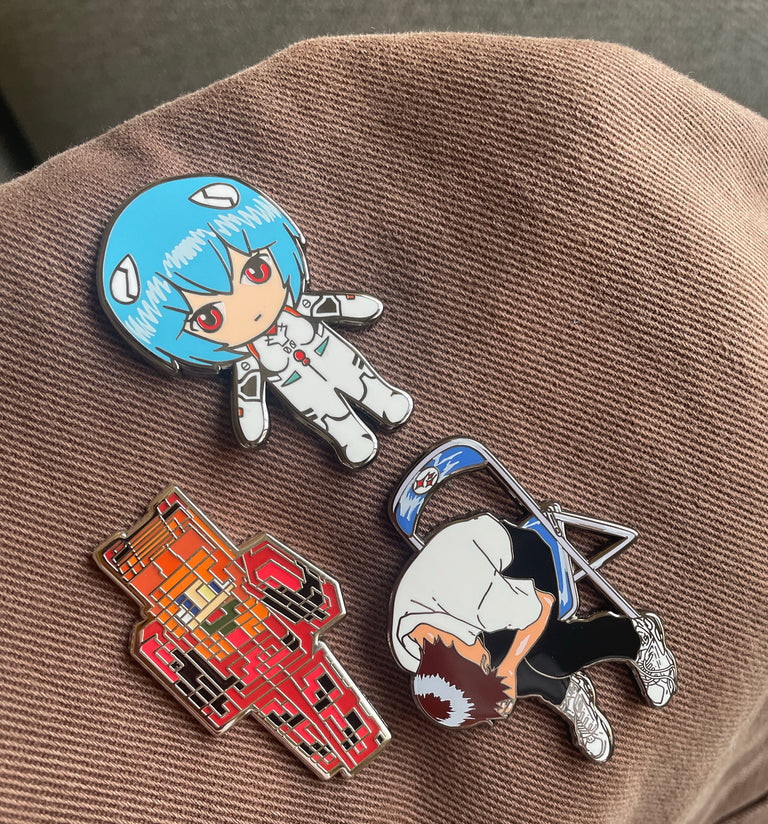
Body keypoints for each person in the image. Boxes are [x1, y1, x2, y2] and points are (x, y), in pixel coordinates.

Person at [98, 174, 412, 468]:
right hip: (297, 388)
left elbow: (335, 305)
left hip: (332, 353)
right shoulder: (247, 361)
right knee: (323, 409)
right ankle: (348, 434)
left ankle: (381, 396)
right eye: (210, 318)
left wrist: (356, 306)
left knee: (355, 373)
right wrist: (250, 420)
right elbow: (248, 396)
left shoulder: (298, 306)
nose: (248, 309)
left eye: (256, 272)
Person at [390, 510, 677, 762]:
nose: (486, 658)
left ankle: (637, 637)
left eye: (482, 662)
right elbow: (472, 677)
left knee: (549, 650)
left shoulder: (481, 604)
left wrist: (508, 665)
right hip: (466, 590)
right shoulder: (411, 653)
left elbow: (543, 605)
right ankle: (565, 691)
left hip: (516, 556)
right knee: (509, 670)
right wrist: (496, 684)